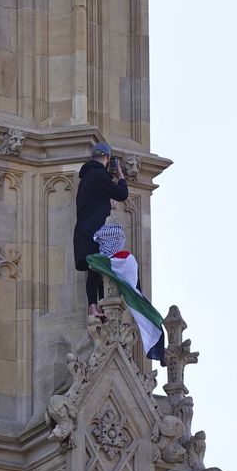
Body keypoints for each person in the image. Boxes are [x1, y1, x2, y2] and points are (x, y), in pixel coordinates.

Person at [89, 223, 165, 363]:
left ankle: (156, 345)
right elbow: (92, 283)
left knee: (143, 317)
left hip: (120, 307)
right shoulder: (97, 262)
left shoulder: (127, 260)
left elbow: (136, 291)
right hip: (105, 309)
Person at [73, 143, 128, 319]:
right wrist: (120, 176)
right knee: (95, 269)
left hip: (85, 232)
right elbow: (121, 194)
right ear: (108, 158)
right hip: (92, 233)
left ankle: (98, 308)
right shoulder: (97, 175)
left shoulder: (89, 176)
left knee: (97, 270)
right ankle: (94, 308)